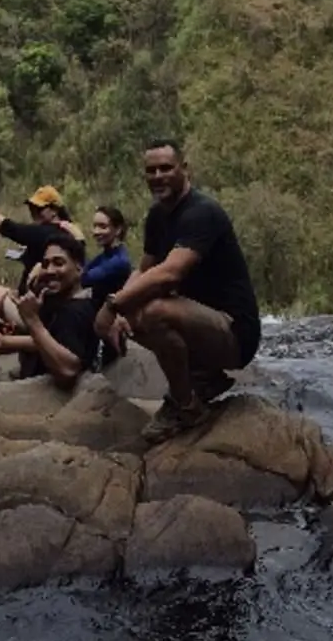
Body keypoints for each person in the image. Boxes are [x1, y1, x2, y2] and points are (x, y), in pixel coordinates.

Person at [94, 140, 261, 443]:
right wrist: (119, 309)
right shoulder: (157, 216)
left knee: (153, 311)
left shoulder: (202, 212)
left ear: (184, 169)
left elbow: (170, 274)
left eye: (166, 168)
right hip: (197, 321)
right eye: (151, 170)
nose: (158, 176)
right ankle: (203, 379)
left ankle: (185, 407)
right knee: (135, 309)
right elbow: (145, 270)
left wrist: (113, 305)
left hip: (235, 331)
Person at [0, 235, 100, 388]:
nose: (50, 270)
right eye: (46, 264)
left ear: (79, 268)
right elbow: (52, 339)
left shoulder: (73, 313)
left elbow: (68, 370)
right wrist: (7, 342)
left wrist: (32, 320)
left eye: (59, 263)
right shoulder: (65, 299)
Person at [0, 178, 77, 328]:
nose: (34, 213)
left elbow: (6, 226)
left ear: (54, 210)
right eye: (32, 208)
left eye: (39, 209)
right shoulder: (70, 231)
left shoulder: (45, 232)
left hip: (35, 317)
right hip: (44, 308)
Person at [80, 205, 133, 301]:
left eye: (103, 227)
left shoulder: (119, 261)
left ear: (118, 230)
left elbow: (84, 279)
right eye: (95, 226)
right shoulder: (105, 256)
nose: (96, 231)